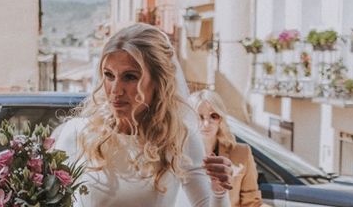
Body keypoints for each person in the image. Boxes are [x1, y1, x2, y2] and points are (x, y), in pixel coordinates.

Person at [52, 23, 232, 206]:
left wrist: (219, 191)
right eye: (109, 75)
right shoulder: (77, 132)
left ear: (157, 82)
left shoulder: (180, 139)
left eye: (130, 77)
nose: (115, 90)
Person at [189, 90, 263, 207]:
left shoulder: (242, 153)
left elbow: (252, 203)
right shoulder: (178, 156)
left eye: (214, 116)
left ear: (221, 119)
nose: (207, 123)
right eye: (200, 117)